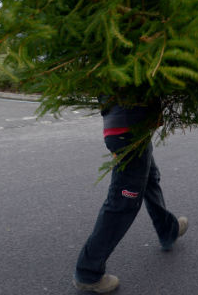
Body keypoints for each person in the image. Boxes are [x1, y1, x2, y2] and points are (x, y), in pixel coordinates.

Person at [73, 97, 188, 293]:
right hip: (128, 132)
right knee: (122, 204)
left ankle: (168, 229)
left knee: (151, 178)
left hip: (131, 129)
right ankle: (88, 272)